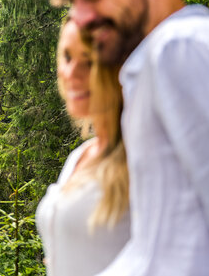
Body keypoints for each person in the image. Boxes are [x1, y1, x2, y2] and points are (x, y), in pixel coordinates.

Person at [41, 0, 209, 276]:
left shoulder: (183, 47)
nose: (81, 17)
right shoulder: (153, 67)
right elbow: (162, 253)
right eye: (74, 2)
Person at [36, 18, 130, 276]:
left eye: (89, 61)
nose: (71, 73)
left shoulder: (143, 158)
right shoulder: (79, 156)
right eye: (66, 57)